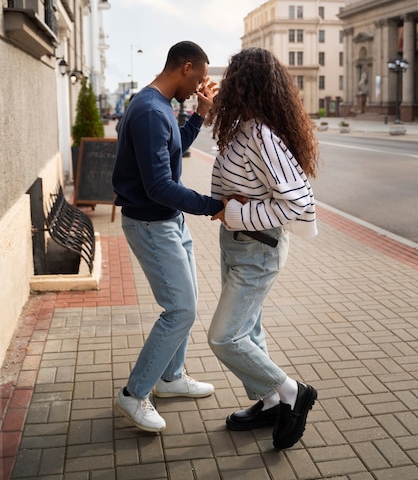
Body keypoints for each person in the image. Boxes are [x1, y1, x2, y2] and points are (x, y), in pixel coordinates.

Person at [207, 47, 319, 450]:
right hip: (236, 245)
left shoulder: (263, 135)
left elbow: (298, 201)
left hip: (258, 249)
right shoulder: (243, 125)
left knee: (225, 337)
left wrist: (236, 214)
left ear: (243, 82)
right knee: (249, 328)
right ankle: (270, 401)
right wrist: (208, 109)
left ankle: (290, 392)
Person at [112, 41, 224, 433]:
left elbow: (174, 152)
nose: (200, 86)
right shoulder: (148, 112)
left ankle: (171, 378)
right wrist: (213, 205)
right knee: (180, 309)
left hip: (168, 220)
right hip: (151, 222)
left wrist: (200, 115)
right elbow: (159, 185)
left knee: (187, 302)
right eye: (199, 78)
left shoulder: (158, 107)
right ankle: (133, 393)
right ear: (186, 66)